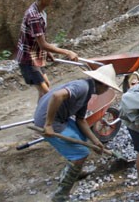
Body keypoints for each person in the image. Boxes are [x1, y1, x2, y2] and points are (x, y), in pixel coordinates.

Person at [33, 64, 122, 202]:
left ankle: (76, 171)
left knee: (81, 137)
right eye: (108, 87)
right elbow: (57, 96)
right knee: (81, 153)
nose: (107, 90)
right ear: (103, 84)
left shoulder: (87, 93)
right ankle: (60, 195)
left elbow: (81, 120)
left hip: (60, 118)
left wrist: (95, 141)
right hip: (48, 120)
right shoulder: (82, 87)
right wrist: (49, 124)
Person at [16, 0, 79, 99]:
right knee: (47, 94)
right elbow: (43, 44)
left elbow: (40, 40)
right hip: (28, 59)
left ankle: (40, 116)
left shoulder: (40, 12)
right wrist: (68, 52)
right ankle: (45, 116)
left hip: (35, 55)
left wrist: (46, 52)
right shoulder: (34, 16)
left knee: (46, 87)